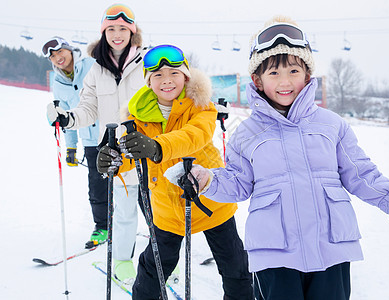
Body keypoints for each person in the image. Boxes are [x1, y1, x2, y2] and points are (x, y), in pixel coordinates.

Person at [164, 16, 389, 300]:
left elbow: (360, 173)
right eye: (274, 73)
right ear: (258, 80)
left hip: (331, 248)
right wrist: (208, 179)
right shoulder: (246, 134)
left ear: (307, 76)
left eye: (293, 70)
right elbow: (238, 184)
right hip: (274, 254)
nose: (285, 81)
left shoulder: (332, 124)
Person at [96, 44, 254, 300]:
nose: (166, 81)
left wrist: (157, 146)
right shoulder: (136, 119)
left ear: (186, 77)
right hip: (167, 208)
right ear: (148, 82)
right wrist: (112, 162)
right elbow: (128, 156)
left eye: (174, 74)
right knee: (152, 271)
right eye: (158, 75)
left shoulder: (201, 107)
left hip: (210, 198)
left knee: (235, 266)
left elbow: (194, 137)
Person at [46, 3, 146, 284]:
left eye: (123, 29)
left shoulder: (147, 63)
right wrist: (67, 119)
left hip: (148, 150)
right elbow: (88, 107)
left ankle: (167, 260)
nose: (117, 34)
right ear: (104, 33)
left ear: (132, 32)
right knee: (124, 215)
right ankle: (124, 263)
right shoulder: (97, 70)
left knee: (159, 215)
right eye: (110, 29)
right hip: (116, 154)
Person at [42, 36, 109, 248]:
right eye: (52, 56)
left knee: (128, 182)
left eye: (60, 52)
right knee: (97, 187)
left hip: (111, 133)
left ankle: (152, 226)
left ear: (70, 50)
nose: (57, 58)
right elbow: (65, 116)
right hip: (90, 141)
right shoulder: (58, 82)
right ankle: (103, 227)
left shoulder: (92, 65)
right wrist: (71, 147)